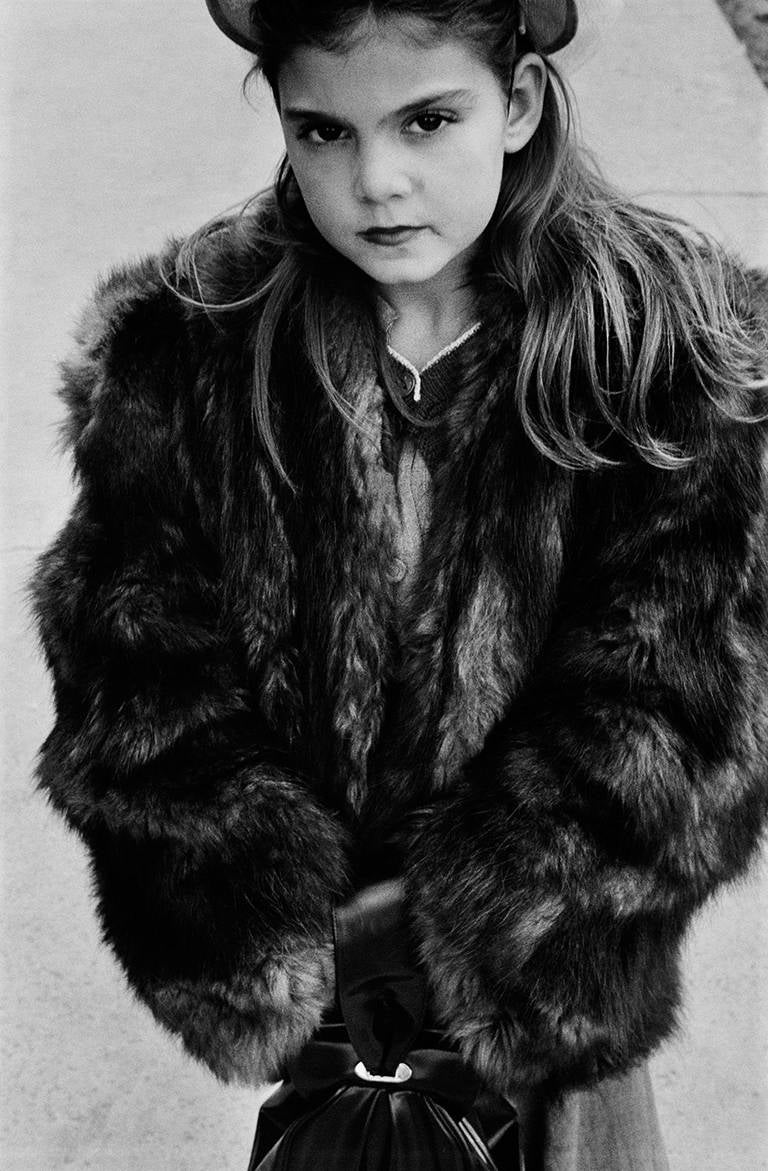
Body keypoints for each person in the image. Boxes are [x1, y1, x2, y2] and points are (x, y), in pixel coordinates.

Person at [28, 0, 768, 1167]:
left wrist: (471, 919)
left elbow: (686, 693)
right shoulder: (189, 350)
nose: (376, 180)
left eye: (428, 120)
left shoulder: (667, 355)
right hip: (330, 1009)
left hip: (537, 1001)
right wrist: (272, 909)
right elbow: (134, 665)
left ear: (517, 101)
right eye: (323, 130)